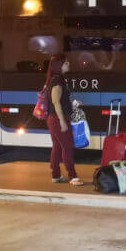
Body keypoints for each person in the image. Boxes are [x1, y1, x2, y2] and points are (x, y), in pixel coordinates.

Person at [46, 54, 83, 185]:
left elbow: (59, 101)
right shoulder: (57, 81)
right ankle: (73, 176)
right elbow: (56, 102)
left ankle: (55, 175)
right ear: (59, 66)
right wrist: (62, 121)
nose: (68, 64)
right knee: (67, 146)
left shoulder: (57, 79)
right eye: (66, 63)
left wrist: (72, 104)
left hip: (54, 118)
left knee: (57, 146)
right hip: (58, 119)